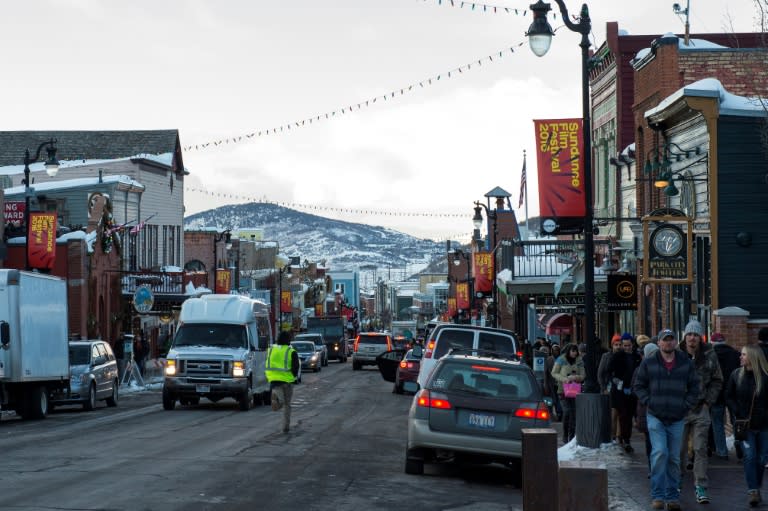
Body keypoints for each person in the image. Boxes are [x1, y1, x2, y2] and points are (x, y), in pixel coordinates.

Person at [633, 328, 699, 511]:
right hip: (656, 416)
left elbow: (695, 386)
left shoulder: (685, 362)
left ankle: (672, 496)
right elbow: (638, 386)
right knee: (660, 452)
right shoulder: (649, 363)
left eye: (671, 339)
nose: (668, 343)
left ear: (675, 342)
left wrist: (686, 405)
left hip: (677, 417)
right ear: (659, 343)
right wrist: (649, 402)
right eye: (665, 340)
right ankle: (657, 495)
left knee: (674, 458)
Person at [678, 319, 723, 504]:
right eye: (689, 334)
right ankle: (677, 480)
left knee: (700, 448)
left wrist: (708, 402)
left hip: (700, 409)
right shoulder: (677, 354)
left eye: (695, 335)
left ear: (700, 337)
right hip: (680, 410)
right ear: (685, 337)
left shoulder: (709, 355)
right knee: (678, 449)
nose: (692, 338)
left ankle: (700, 486)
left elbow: (717, 380)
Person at [725, 344, 768, 507]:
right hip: (745, 425)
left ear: (753, 357)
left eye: (744, 355)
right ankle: (753, 490)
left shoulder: (765, 377)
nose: (740, 357)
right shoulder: (736, 375)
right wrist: (737, 412)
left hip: (764, 425)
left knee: (762, 458)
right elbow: (728, 396)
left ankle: (755, 486)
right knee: (750, 456)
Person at [710, 331, 741, 460]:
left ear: (713, 343)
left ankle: (722, 452)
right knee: (737, 422)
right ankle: (741, 449)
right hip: (733, 393)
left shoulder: (710, 356)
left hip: (716, 394)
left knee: (717, 423)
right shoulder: (736, 354)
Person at [608, 333, 640, 453]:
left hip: (633, 390)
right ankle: (624, 439)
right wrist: (617, 382)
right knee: (623, 415)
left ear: (632, 345)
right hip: (620, 391)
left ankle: (624, 437)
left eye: (629, 345)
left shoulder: (636, 357)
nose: (627, 348)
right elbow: (610, 371)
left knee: (630, 414)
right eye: (624, 345)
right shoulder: (617, 357)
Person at [265, 330, 300, 433]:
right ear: (289, 339)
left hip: (275, 381)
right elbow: (296, 367)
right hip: (288, 381)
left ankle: (276, 398)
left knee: (281, 402)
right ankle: (285, 427)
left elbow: (268, 363)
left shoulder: (271, 350)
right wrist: (293, 376)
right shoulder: (291, 351)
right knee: (287, 405)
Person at [551, 343, 585, 444]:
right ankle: (565, 434)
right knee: (567, 411)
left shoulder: (579, 360)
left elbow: (583, 374)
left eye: (576, 351)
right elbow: (554, 373)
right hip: (563, 391)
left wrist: (577, 377)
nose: (575, 353)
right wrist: (564, 379)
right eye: (573, 351)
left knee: (574, 413)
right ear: (568, 351)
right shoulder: (561, 359)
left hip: (575, 391)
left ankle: (572, 436)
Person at [635, 342, 660, 475]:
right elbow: (637, 388)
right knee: (650, 441)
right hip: (646, 411)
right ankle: (652, 467)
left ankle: (657, 467)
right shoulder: (641, 369)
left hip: (659, 411)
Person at [599, 335, 622, 441]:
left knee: (620, 412)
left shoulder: (624, 355)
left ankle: (619, 435)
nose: (618, 347)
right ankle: (612, 435)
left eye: (619, 345)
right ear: (612, 345)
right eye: (616, 344)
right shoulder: (606, 356)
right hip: (609, 386)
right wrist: (603, 387)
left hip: (621, 387)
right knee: (611, 412)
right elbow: (600, 373)